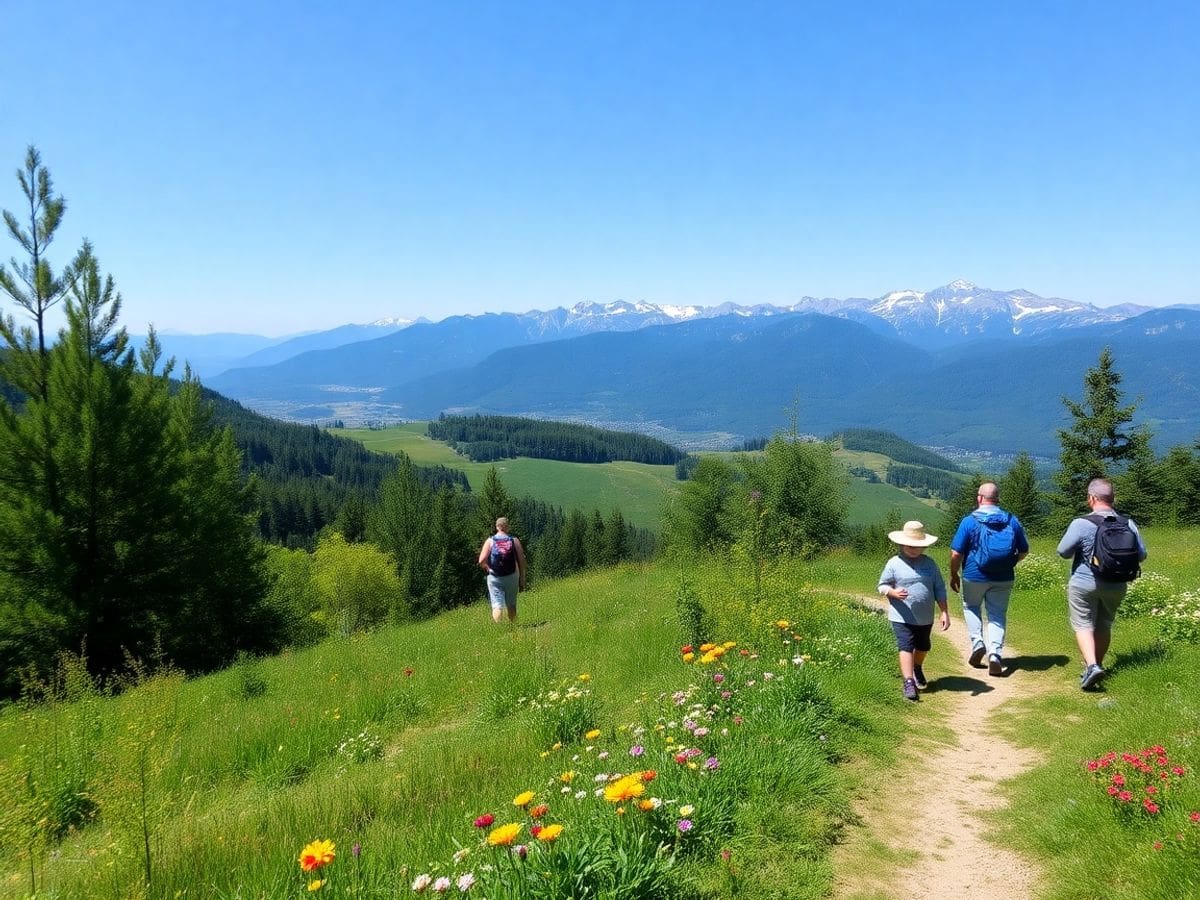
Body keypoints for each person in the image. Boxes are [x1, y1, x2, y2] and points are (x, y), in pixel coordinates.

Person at [1056, 478, 1147, 690]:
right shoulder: (1128, 523)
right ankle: (1096, 665)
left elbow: (1063, 551)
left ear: (1092, 498)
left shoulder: (1081, 523)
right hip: (1116, 584)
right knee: (1104, 624)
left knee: (1083, 624)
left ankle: (1092, 666)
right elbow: (1141, 555)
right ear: (1112, 498)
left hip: (1084, 582)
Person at [949, 482, 1030, 676]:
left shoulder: (969, 521)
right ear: (997, 498)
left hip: (974, 575)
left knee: (971, 607)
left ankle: (978, 643)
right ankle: (995, 654)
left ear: (979, 498)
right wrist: (1009, 563)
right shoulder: (1011, 520)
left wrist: (953, 574)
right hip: (1003, 577)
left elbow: (955, 553)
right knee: (997, 615)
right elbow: (1024, 550)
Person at [878, 520, 950, 701]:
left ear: (924, 546)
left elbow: (940, 588)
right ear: (902, 544)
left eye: (917, 546)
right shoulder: (894, 563)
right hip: (901, 615)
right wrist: (892, 592)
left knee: (923, 645)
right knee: (905, 645)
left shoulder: (930, 564)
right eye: (909, 545)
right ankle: (909, 681)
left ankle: (917, 667)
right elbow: (882, 585)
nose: (912, 549)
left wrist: (944, 611)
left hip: (925, 617)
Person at [478, 517, 527, 623]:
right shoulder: (514, 540)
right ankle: (513, 627)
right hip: (512, 576)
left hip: (495, 577)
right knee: (511, 604)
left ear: (497, 527)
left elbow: (481, 560)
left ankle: (500, 630)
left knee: (497, 606)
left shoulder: (490, 541)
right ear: (507, 527)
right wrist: (522, 577)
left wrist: (488, 568)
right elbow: (522, 560)